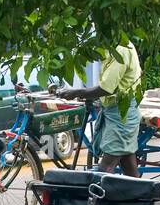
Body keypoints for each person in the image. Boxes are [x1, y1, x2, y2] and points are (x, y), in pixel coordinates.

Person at [57, 41, 143, 177]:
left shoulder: (121, 50)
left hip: (122, 114)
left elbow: (106, 88)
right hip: (114, 110)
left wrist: (76, 92)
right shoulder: (111, 47)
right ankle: (139, 196)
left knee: (105, 169)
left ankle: (97, 199)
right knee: (128, 165)